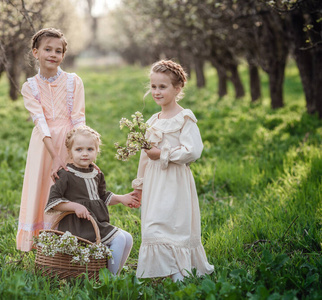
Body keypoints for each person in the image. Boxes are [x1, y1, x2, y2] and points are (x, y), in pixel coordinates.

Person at [132, 60, 214, 281]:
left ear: (177, 89)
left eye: (162, 87)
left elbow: (193, 151)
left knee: (174, 225)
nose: (156, 92)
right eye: (153, 86)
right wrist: (139, 185)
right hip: (154, 181)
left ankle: (179, 272)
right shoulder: (152, 121)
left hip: (175, 181)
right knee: (152, 226)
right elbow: (144, 156)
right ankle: (161, 270)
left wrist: (163, 154)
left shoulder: (184, 118)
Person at [16, 28, 86, 251]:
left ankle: (71, 239)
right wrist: (55, 155)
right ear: (36, 52)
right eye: (47, 49)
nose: (53, 55)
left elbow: (78, 118)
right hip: (44, 145)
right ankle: (44, 243)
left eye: (58, 51)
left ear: (63, 55)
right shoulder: (30, 87)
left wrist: (80, 148)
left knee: (70, 187)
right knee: (44, 187)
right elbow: (40, 121)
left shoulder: (74, 82)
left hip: (70, 141)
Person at [44, 126, 140, 275]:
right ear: (69, 152)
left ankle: (112, 274)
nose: (85, 154)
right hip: (78, 225)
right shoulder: (66, 174)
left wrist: (121, 198)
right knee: (119, 239)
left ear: (96, 152)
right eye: (79, 149)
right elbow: (54, 201)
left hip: (96, 222)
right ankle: (110, 278)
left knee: (127, 238)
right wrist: (75, 206)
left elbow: (101, 197)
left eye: (90, 149)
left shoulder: (96, 173)